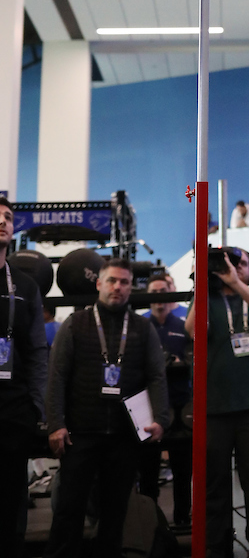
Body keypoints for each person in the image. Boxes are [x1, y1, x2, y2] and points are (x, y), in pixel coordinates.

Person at [45, 257, 168, 558]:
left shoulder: (142, 328)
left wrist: (161, 418)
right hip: (80, 435)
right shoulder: (75, 324)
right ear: (99, 284)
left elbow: (156, 376)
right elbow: (56, 377)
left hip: (124, 437)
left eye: (124, 282)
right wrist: (56, 424)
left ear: (131, 288)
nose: (118, 287)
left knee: (115, 514)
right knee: (69, 510)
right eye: (112, 280)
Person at [186, 246, 249, 558]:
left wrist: (237, 283)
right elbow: (193, 331)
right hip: (214, 408)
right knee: (214, 485)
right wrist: (203, 284)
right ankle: (218, 548)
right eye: (228, 263)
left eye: (239, 263)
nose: (234, 268)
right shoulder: (206, 299)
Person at [0, 197, 48, 558]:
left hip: (13, 413)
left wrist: (36, 408)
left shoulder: (25, 286)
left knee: (10, 505)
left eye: (7, 217)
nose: (2, 221)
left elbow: (36, 352)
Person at [140, 271, 192, 528]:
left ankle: (183, 519)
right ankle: (149, 524)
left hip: (180, 407)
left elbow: (192, 360)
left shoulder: (182, 326)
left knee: (182, 470)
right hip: (149, 409)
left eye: (163, 291)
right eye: (154, 292)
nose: (159, 297)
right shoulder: (141, 326)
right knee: (147, 471)